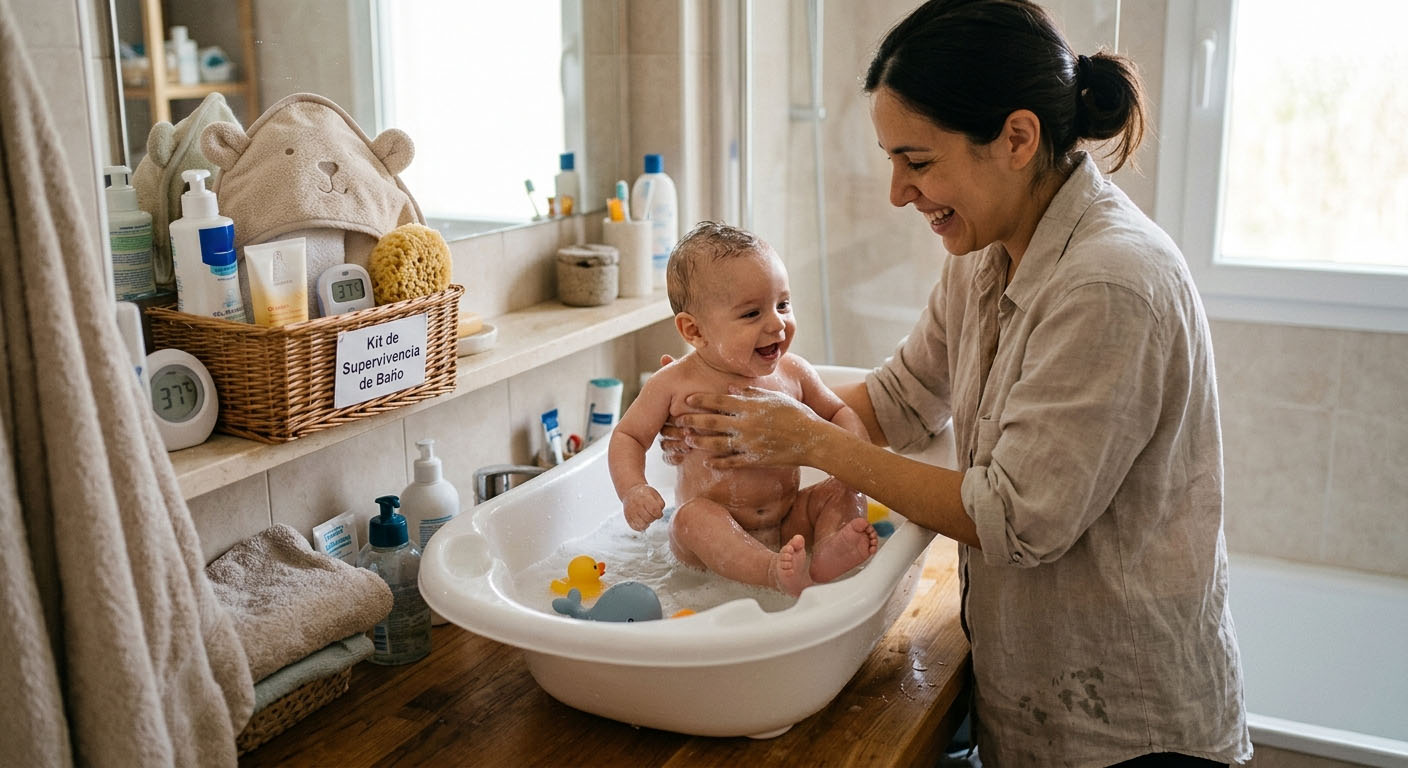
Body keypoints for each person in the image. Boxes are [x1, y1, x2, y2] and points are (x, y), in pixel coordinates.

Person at [662, 2, 1251, 766]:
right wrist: (729, 416)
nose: (898, 192)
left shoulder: (1110, 283)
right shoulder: (986, 251)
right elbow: (903, 399)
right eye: (891, 160)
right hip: (1031, 706)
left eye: (918, 160)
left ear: (1016, 138)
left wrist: (808, 439)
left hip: (1126, 736)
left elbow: (1015, 519)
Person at [607, 221, 878, 597]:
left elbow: (838, 413)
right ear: (694, 332)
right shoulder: (673, 383)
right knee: (691, 519)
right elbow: (628, 435)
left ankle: (828, 550)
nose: (777, 323)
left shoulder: (794, 373)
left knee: (842, 491)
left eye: (782, 304)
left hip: (787, 521)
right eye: (752, 314)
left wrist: (855, 459)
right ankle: (771, 572)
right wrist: (633, 489)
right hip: (710, 542)